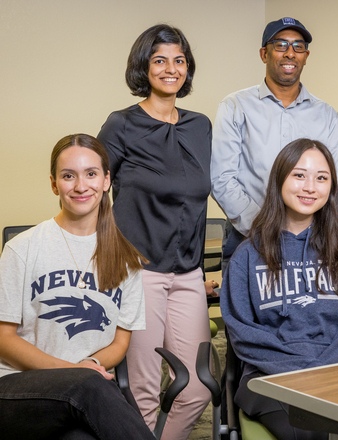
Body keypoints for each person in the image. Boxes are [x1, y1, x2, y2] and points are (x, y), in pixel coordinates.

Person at [221, 139, 338, 440]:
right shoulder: (247, 254)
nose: (310, 187)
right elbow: (242, 332)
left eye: (321, 178)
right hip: (270, 377)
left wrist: (323, 371)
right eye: (299, 175)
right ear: (279, 180)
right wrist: (301, 371)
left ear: (331, 188)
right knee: (307, 429)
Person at [97, 24, 211, 439]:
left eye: (179, 60)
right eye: (159, 60)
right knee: (143, 393)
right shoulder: (121, 124)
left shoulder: (200, 126)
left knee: (197, 388)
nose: (171, 68)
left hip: (188, 275)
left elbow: (193, 197)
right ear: (143, 68)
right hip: (139, 273)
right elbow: (94, 190)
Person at [0, 133, 153, 440]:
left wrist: (91, 364)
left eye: (91, 174)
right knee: (89, 388)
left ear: (107, 180)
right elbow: (4, 338)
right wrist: (73, 372)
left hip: (85, 391)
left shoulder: (128, 260)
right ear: (55, 184)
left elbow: (120, 342)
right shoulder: (23, 248)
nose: (81, 186)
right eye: (69, 176)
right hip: (16, 389)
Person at [211, 17, 338, 270]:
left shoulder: (326, 114)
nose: (290, 53)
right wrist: (265, 228)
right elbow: (221, 178)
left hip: (311, 243)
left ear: (306, 56)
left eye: (298, 47)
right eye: (281, 44)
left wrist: (314, 231)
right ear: (264, 53)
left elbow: (337, 181)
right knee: (245, 310)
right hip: (248, 238)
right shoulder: (235, 106)